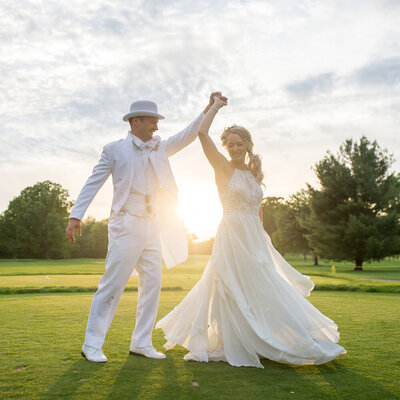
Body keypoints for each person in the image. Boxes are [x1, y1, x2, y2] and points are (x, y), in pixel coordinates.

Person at [155, 96, 346, 368]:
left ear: (247, 145)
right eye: (230, 144)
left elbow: (258, 207)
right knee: (232, 285)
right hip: (232, 234)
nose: (233, 148)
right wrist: (215, 107)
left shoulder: (254, 172)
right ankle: (242, 338)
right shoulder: (222, 167)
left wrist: (263, 237)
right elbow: (201, 133)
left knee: (265, 283)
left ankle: (276, 334)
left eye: (238, 143)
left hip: (255, 236)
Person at [65, 93, 225, 363]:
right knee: (112, 285)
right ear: (135, 121)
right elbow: (93, 182)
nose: (156, 126)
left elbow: (188, 135)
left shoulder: (160, 147)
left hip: (154, 226)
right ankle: (91, 344)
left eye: (157, 122)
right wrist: (75, 215)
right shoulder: (114, 149)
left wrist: (209, 109)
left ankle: (141, 342)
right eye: (152, 121)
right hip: (126, 224)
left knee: (152, 284)